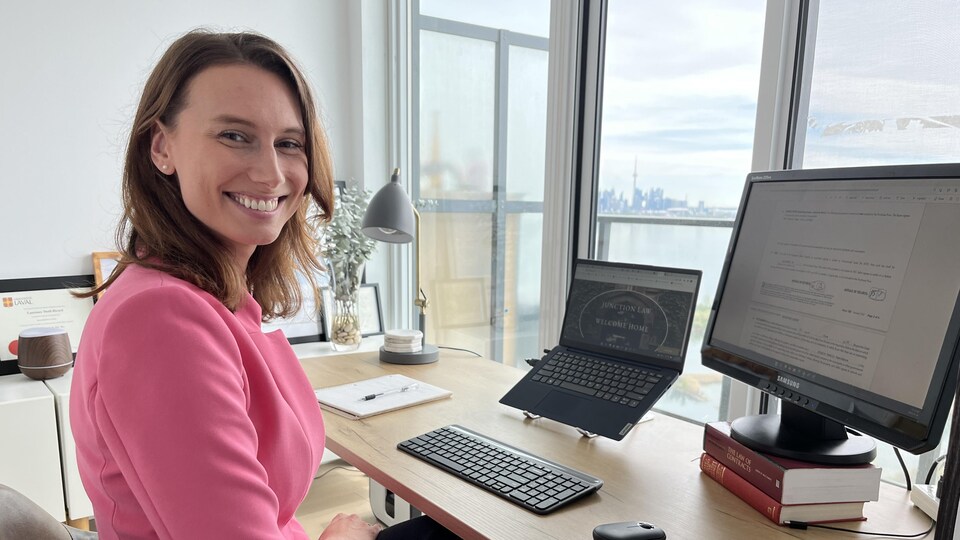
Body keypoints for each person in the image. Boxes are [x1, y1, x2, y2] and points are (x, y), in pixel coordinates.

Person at [71, 30, 456, 540]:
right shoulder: (160, 319)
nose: (271, 173)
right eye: (235, 136)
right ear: (161, 146)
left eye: (289, 144)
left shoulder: (215, 300)